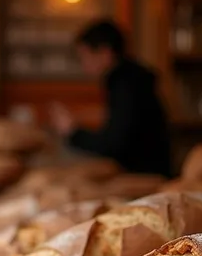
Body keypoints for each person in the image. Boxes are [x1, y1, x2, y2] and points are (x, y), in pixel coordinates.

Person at [50, 20, 171, 176]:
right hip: (146, 169)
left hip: (145, 175)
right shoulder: (129, 79)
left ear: (105, 53)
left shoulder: (126, 84)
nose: (83, 65)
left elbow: (114, 144)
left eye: (84, 57)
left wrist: (72, 132)